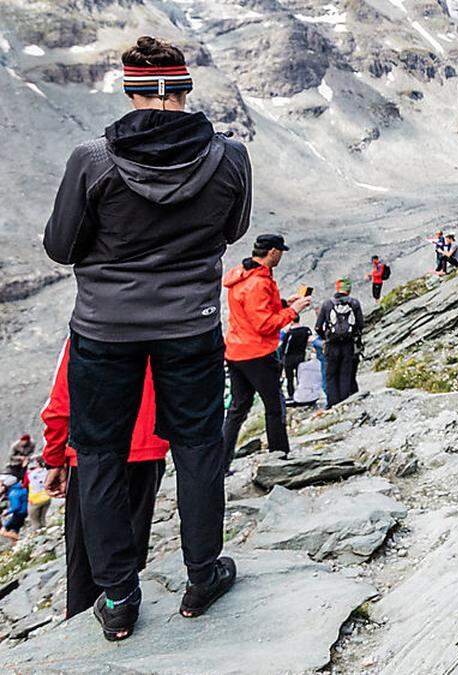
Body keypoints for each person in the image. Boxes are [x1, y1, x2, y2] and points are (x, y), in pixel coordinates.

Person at [43, 36, 249, 640]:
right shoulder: (230, 156)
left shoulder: (92, 158)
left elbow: (60, 247)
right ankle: (203, 574)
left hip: (104, 331)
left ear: (130, 89)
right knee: (198, 445)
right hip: (191, 325)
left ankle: (116, 598)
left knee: (101, 451)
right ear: (185, 88)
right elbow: (233, 229)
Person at [41, 337, 169, 619]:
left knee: (86, 554)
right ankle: (123, 611)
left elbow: (61, 402)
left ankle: (85, 621)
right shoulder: (165, 324)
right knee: (132, 545)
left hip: (91, 453)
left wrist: (54, 457)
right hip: (147, 449)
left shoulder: (88, 328)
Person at [222, 234, 311, 463]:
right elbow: (264, 324)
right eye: (280, 251)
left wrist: (283, 304)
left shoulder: (242, 275)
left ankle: (220, 463)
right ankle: (279, 457)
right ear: (273, 252)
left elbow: (252, 310)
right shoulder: (259, 282)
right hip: (258, 353)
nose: (281, 255)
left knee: (237, 408)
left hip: (236, 351)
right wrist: (294, 311)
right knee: (274, 405)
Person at [315, 279, 364, 407]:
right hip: (348, 344)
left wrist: (324, 338)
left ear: (337, 289)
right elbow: (360, 324)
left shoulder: (327, 304)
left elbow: (318, 327)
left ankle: (332, 403)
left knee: (331, 374)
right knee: (345, 373)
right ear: (348, 290)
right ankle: (345, 402)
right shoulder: (354, 303)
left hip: (332, 344)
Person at [281, 317, 312, 401]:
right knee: (301, 377)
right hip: (301, 355)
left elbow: (284, 346)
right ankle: (302, 394)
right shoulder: (306, 330)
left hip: (289, 357)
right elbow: (309, 342)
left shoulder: (289, 333)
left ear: (291, 321)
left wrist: (282, 357)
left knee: (289, 378)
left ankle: (291, 395)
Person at [24, 458, 50, 532]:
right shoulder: (46, 471)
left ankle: (37, 534)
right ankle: (44, 531)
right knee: (42, 517)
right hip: (46, 497)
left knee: (34, 520)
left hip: (35, 499)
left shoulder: (29, 474)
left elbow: (24, 484)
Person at [0, 475, 27, 541]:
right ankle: (16, 543)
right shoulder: (21, 488)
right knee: (15, 530)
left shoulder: (13, 493)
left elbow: (16, 507)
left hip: (19, 513)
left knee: (3, 530)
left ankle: (21, 540)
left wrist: (6, 512)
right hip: (24, 511)